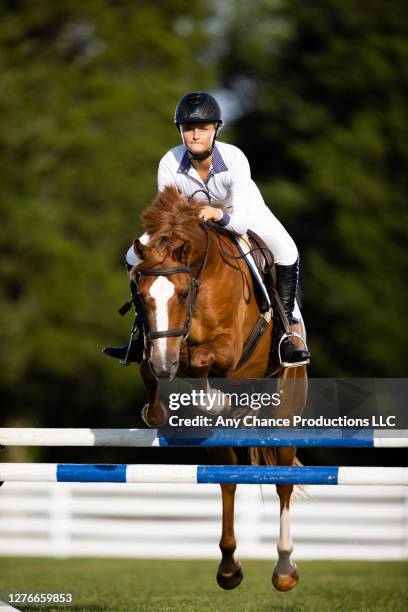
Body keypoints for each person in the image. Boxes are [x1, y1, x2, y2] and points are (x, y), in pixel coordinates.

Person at [103, 92, 310, 367]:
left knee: (287, 250)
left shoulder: (234, 158)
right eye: (189, 129)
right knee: (132, 255)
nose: (196, 135)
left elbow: (242, 222)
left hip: (243, 213)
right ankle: (140, 331)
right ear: (180, 131)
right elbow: (166, 214)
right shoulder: (169, 162)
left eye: (204, 128)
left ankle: (285, 334)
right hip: (192, 223)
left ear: (216, 129)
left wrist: (218, 215)